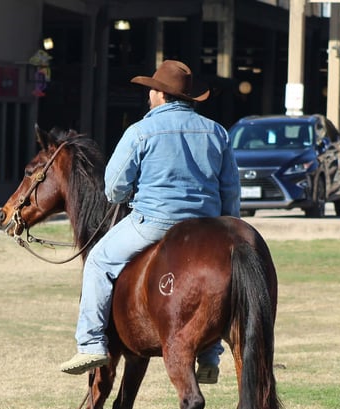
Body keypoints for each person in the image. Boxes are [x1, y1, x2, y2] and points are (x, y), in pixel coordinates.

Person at [59, 59, 241, 385]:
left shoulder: (140, 131)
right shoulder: (218, 132)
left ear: (160, 94)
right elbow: (230, 189)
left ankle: (90, 344)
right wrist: (225, 227)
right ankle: (210, 355)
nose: (148, 97)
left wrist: (126, 195)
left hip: (155, 221)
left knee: (98, 261)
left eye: (151, 91)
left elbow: (114, 185)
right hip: (206, 226)